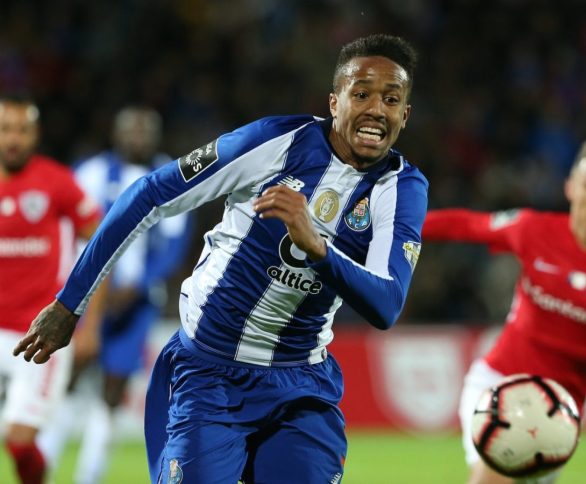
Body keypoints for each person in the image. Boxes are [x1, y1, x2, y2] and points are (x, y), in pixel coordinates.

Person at [15, 33, 428, 483]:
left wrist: (318, 248)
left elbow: (386, 304)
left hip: (300, 386)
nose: (376, 110)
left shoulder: (402, 188)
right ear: (335, 102)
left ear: (404, 115)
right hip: (209, 373)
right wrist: (69, 304)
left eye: (391, 99)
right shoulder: (275, 142)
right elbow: (148, 195)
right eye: (361, 94)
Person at [422, 135, 586, 484]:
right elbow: (465, 225)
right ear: (571, 188)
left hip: (558, 413)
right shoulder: (533, 229)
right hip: (500, 385)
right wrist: (391, 227)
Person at [39, 106, 192, 484]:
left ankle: (88, 476)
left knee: (113, 389)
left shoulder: (173, 175)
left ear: (156, 136)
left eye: (145, 131)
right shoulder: (89, 172)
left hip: (138, 302)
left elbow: (173, 247)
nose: (137, 138)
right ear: (115, 133)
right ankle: (42, 468)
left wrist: (137, 285)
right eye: (131, 131)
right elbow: (68, 231)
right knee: (68, 379)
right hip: (88, 298)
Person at [0, 96, 102, 484]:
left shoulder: (57, 182)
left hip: (38, 334)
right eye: (6, 129)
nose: (13, 139)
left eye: (22, 130)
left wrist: (89, 325)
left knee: (19, 442)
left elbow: (101, 249)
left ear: (36, 134)